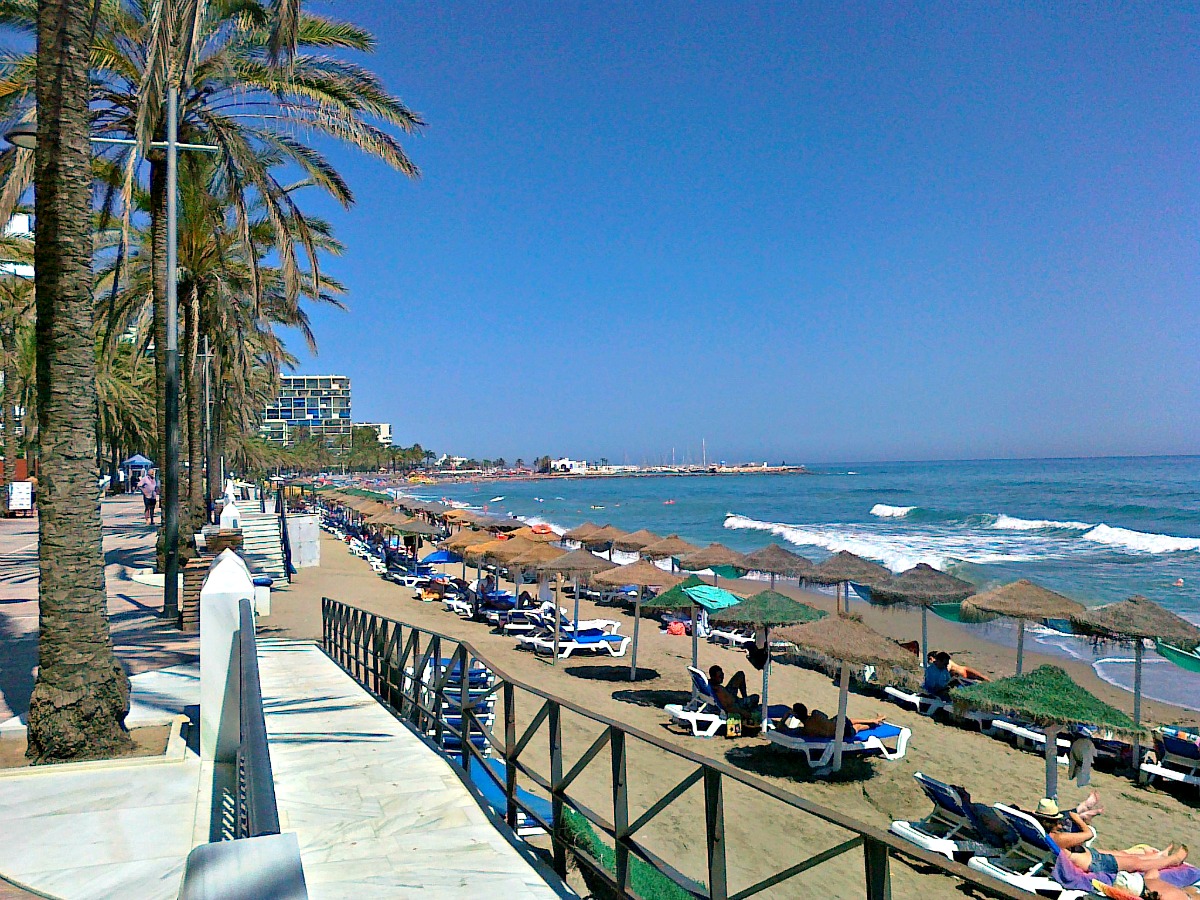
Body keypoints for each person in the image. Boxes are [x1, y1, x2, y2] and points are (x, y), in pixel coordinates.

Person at [1036, 802, 1188, 875]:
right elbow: (1089, 834)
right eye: (1058, 821)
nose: (1061, 824)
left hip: (1090, 855)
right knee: (1137, 863)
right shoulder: (1059, 838)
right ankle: (1172, 860)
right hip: (1096, 864)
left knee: (1125, 854)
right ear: (1051, 822)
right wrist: (1078, 819)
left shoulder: (1038, 831)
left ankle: (1159, 856)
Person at [777, 703, 885, 740]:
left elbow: (780, 727)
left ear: (795, 716)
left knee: (855, 726)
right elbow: (825, 716)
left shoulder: (806, 730)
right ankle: (873, 722)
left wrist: (786, 715)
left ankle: (873, 722)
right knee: (854, 725)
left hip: (836, 733)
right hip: (837, 729)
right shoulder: (815, 714)